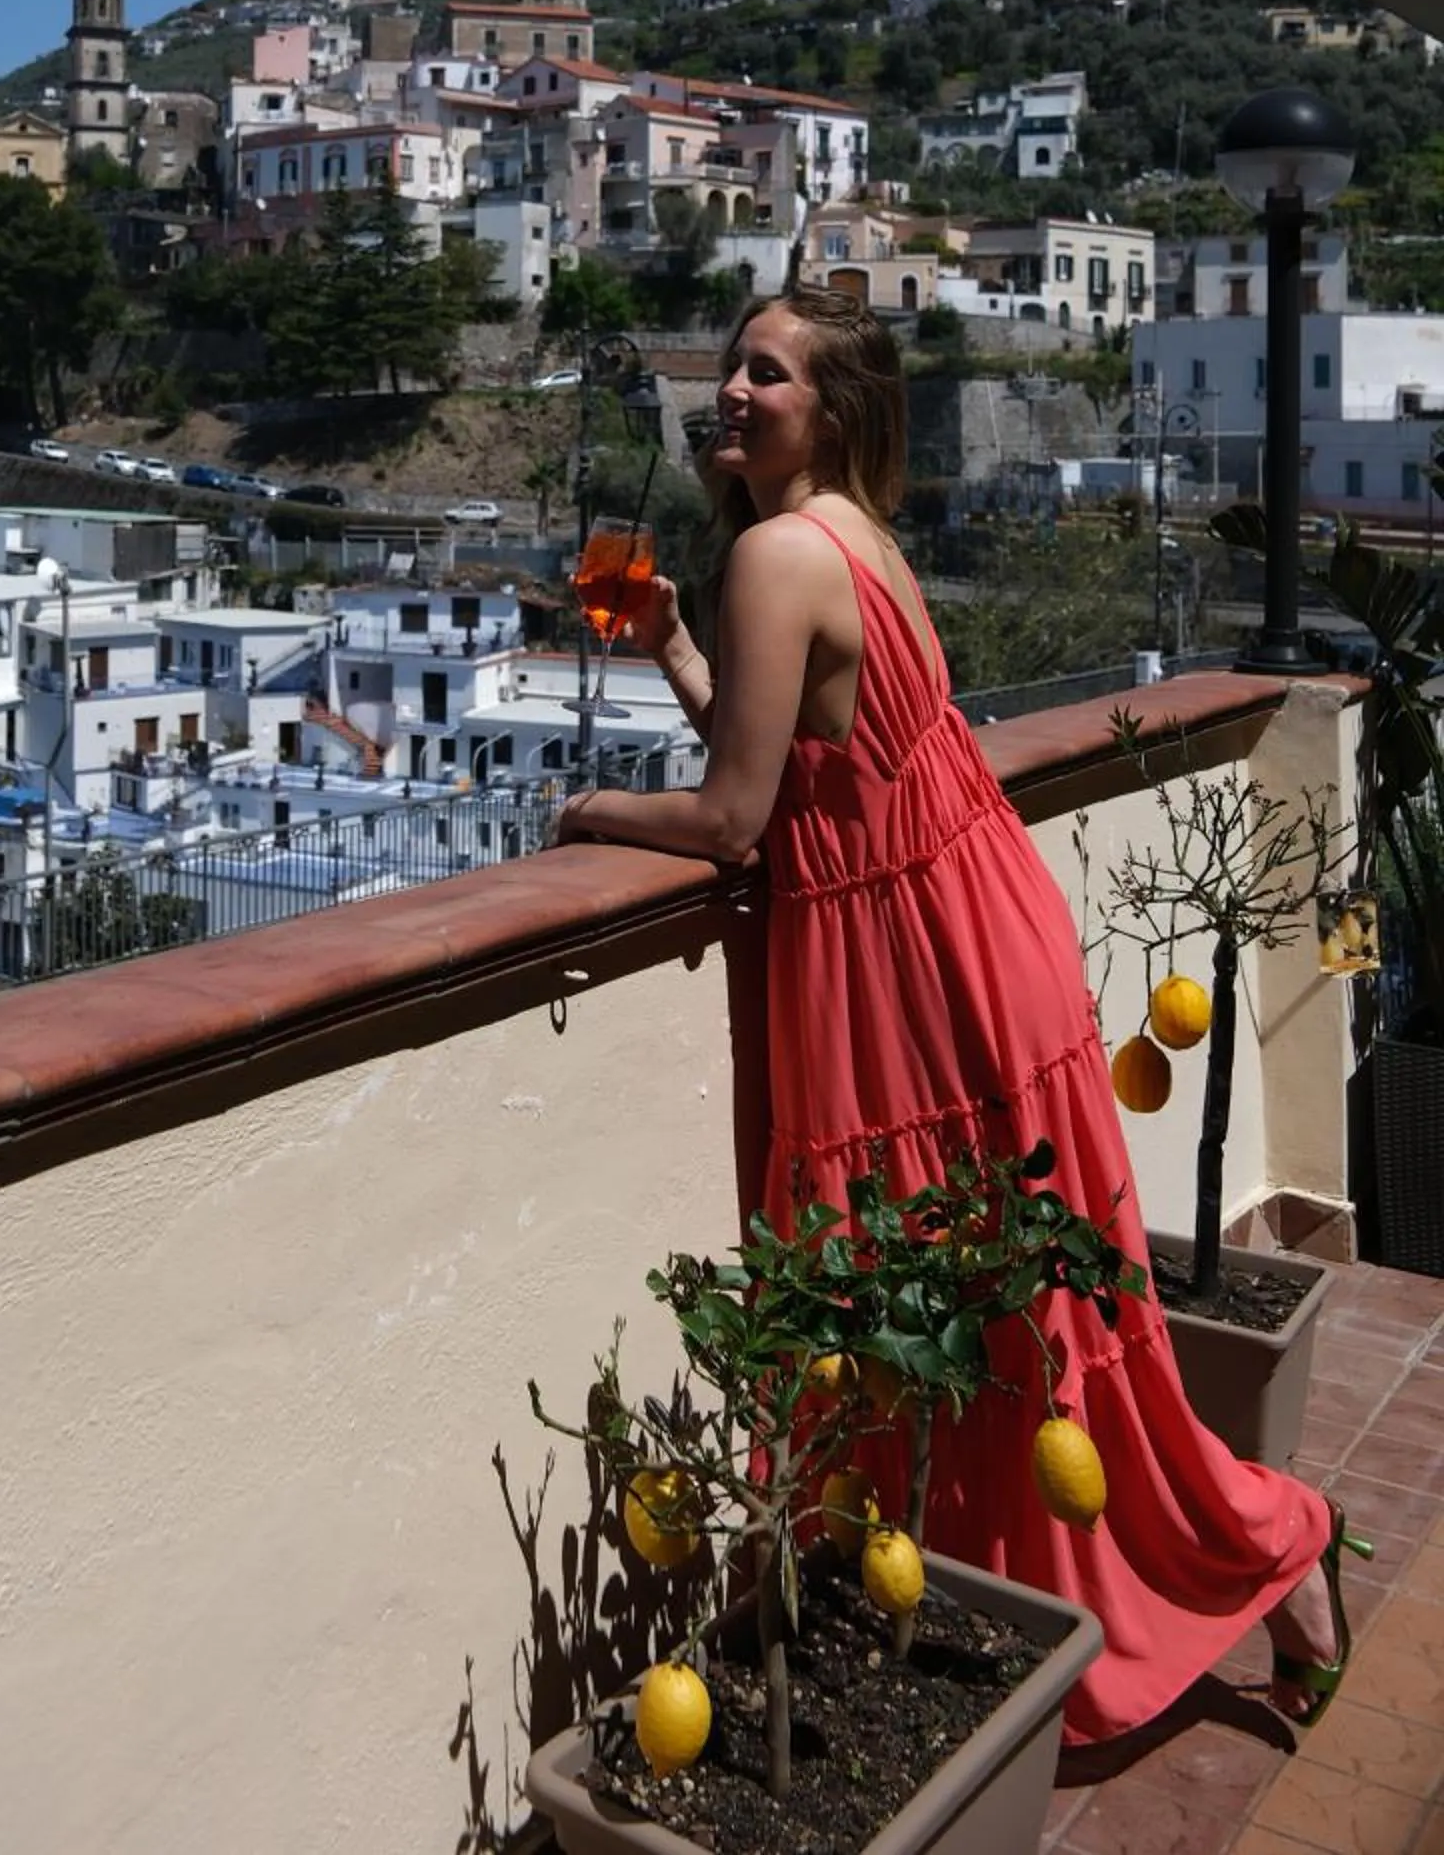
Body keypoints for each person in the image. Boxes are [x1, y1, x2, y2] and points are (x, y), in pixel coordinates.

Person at [554, 281, 1364, 1749]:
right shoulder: (853, 541)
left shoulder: (778, 555)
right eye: (733, 367)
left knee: (936, 1313)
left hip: (900, 971)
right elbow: (805, 762)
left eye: (772, 376)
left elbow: (736, 821)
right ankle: (1240, 1564)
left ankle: (1257, 1553)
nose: (735, 391)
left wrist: (584, 809)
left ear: (837, 410)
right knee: (1043, 1319)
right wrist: (678, 646)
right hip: (976, 933)